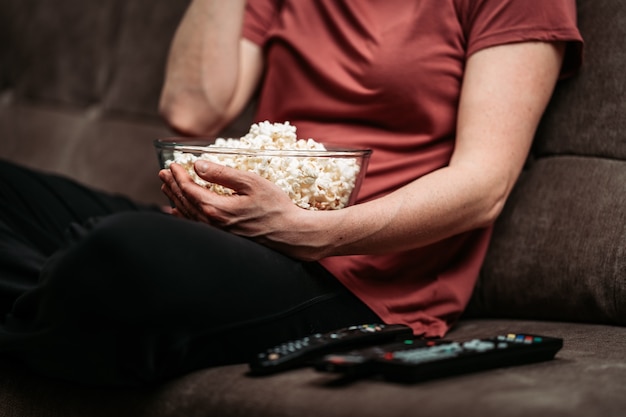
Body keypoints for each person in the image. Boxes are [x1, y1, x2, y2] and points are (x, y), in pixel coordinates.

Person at [0, 0, 582, 387]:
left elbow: (484, 185)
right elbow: (193, 108)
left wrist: (308, 233)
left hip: (353, 280)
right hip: (223, 235)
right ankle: (77, 305)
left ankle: (73, 298)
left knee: (120, 249)